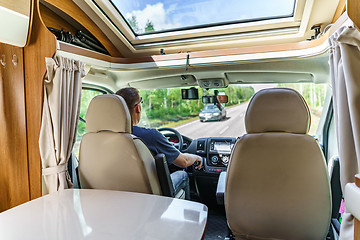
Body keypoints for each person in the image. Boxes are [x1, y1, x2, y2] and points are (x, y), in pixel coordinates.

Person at [116, 87, 202, 200]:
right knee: (183, 175)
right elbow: (184, 162)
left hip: (116, 196)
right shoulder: (151, 136)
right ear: (138, 108)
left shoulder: (96, 139)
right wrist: (197, 157)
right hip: (149, 197)